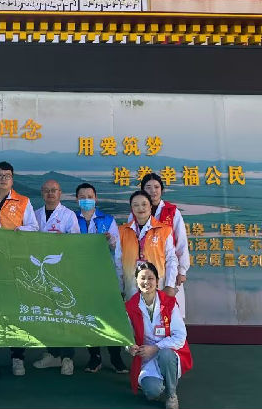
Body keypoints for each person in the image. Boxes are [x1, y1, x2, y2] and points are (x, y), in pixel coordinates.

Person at [0, 161, 38, 376]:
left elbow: (34, 227)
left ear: (12, 179)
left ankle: (18, 357)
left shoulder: (23, 201)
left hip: (16, 263)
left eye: (7, 175)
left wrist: (19, 230)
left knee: (17, 309)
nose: (3, 179)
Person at [73, 182, 127, 374]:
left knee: (111, 317)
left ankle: (115, 356)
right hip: (82, 276)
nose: (86, 200)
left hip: (105, 276)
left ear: (95, 198)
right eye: (82, 197)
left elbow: (117, 250)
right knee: (89, 317)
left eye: (90, 196)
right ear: (77, 199)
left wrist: (110, 241)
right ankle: (94, 357)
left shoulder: (107, 220)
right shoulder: (72, 219)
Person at [125, 261, 192, 409]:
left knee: (165, 354)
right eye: (142, 278)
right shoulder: (130, 306)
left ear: (157, 281)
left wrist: (155, 348)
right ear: (136, 281)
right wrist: (130, 347)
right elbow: (127, 336)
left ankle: (171, 394)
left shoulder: (169, 303)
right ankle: (162, 381)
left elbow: (180, 336)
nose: (146, 282)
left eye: (150, 278)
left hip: (169, 353)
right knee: (151, 392)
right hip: (146, 358)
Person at [32, 179, 80, 375]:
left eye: (54, 190)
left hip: (62, 270)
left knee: (65, 314)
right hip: (42, 270)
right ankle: (52, 354)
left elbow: (76, 243)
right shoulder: (35, 214)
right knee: (47, 313)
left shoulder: (68, 215)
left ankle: (67, 357)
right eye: (46, 190)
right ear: (42, 193)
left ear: (60, 193)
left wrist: (64, 240)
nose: (50, 193)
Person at [140, 172, 191, 317]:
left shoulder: (172, 212)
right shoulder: (137, 211)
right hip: (145, 269)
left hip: (169, 267)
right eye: (148, 187)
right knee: (147, 313)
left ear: (161, 190)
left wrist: (182, 270)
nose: (153, 191)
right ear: (142, 190)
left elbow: (181, 242)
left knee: (171, 311)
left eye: (156, 187)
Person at [118, 190, 178, 300]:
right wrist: (120, 289)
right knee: (133, 310)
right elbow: (118, 262)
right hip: (131, 288)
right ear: (132, 209)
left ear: (150, 206)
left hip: (157, 287)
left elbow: (171, 259)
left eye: (144, 204)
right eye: (136, 205)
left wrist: (169, 285)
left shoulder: (164, 230)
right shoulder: (122, 231)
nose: (140, 208)